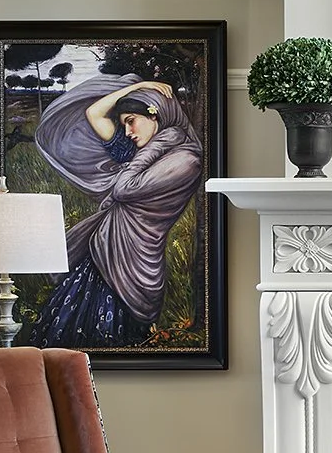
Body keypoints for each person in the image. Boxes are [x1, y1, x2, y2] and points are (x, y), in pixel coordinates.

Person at [23, 77, 204, 349]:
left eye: (132, 120)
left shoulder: (185, 159)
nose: (128, 131)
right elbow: (93, 113)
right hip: (103, 248)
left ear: (154, 113)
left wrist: (156, 144)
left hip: (138, 256)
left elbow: (124, 188)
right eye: (123, 124)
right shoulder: (135, 150)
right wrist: (135, 88)